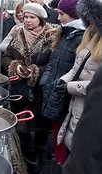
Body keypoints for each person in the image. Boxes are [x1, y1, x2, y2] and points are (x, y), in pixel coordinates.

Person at [1, 3, 58, 173]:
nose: (27, 20)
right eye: (25, 16)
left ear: (40, 19)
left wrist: (34, 71)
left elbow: (53, 64)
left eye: (32, 17)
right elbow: (6, 57)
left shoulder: (52, 36)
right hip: (19, 88)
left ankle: (40, 154)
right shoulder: (18, 33)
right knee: (21, 123)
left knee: (40, 123)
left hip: (41, 89)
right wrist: (14, 66)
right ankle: (24, 155)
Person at [38, 0, 85, 170]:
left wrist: (61, 86)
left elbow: (78, 69)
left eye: (61, 14)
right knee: (57, 131)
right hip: (56, 90)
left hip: (68, 96)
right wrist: (46, 83)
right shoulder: (65, 32)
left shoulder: (81, 37)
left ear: (73, 15)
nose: (58, 18)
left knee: (65, 136)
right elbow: (53, 61)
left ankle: (62, 164)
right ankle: (58, 162)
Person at [57, 0, 102, 166]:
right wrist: (63, 80)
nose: (88, 22)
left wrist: (69, 87)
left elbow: (96, 85)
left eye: (91, 18)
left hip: (90, 109)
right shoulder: (90, 38)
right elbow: (77, 69)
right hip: (75, 107)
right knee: (73, 149)